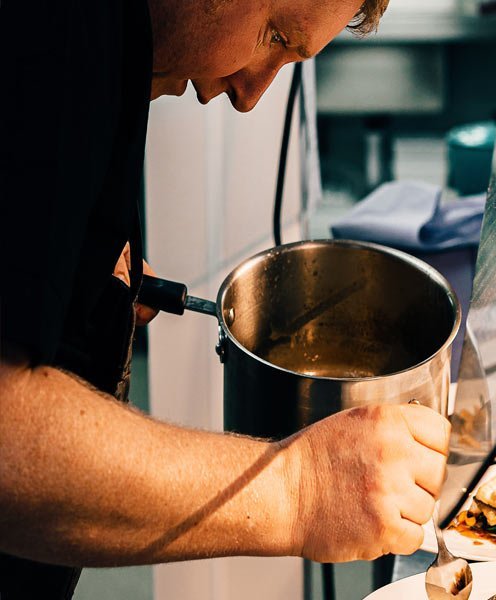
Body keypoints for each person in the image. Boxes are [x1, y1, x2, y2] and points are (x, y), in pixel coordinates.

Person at [0, 0, 451, 597]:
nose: (250, 94)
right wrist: (300, 489)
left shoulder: (112, 51)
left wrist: (73, 273)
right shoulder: (58, 31)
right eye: (274, 35)